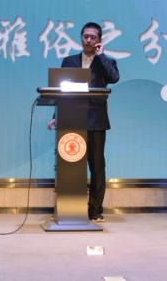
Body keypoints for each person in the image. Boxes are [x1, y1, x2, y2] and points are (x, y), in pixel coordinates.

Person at [54, 22, 120, 223]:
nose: (88, 40)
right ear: (81, 38)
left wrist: (101, 56)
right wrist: (56, 116)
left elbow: (114, 78)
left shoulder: (106, 61)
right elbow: (61, 91)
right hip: (72, 119)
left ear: (99, 40)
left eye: (93, 37)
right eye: (85, 36)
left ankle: (95, 210)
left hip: (96, 121)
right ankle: (71, 208)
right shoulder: (69, 61)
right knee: (71, 165)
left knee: (97, 166)